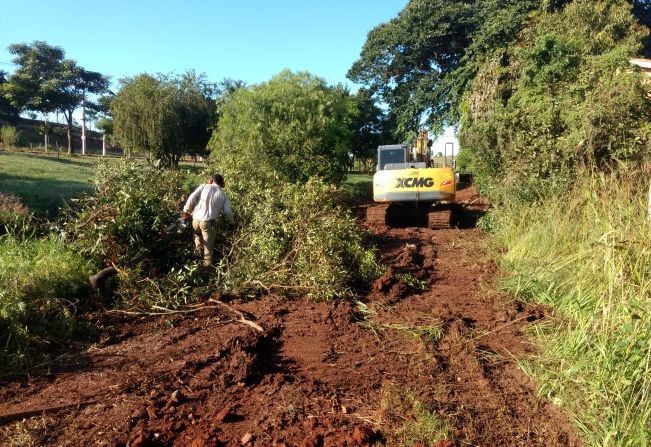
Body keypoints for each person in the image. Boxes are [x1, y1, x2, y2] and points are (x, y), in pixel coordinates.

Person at [182, 173, 234, 266]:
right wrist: (232, 222)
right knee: (208, 248)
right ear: (222, 183)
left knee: (197, 239)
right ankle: (206, 269)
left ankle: (196, 261)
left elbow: (192, 197)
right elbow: (228, 212)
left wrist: (186, 210)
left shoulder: (203, 186)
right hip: (208, 223)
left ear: (211, 180)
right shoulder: (224, 195)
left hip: (195, 221)